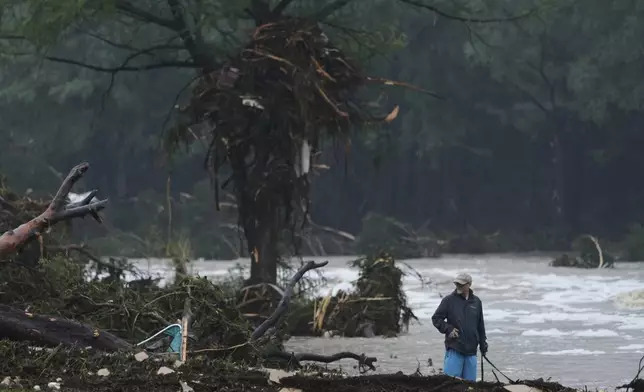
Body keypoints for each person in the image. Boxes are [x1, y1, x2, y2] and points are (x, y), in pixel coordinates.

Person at [431, 272, 487, 381]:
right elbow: (436, 318)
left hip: (471, 350)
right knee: (451, 383)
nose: (458, 286)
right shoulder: (448, 300)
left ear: (469, 284)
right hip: (455, 348)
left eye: (461, 284)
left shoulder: (476, 302)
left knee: (470, 385)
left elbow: (481, 326)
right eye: (457, 284)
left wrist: (483, 343)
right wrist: (448, 329)